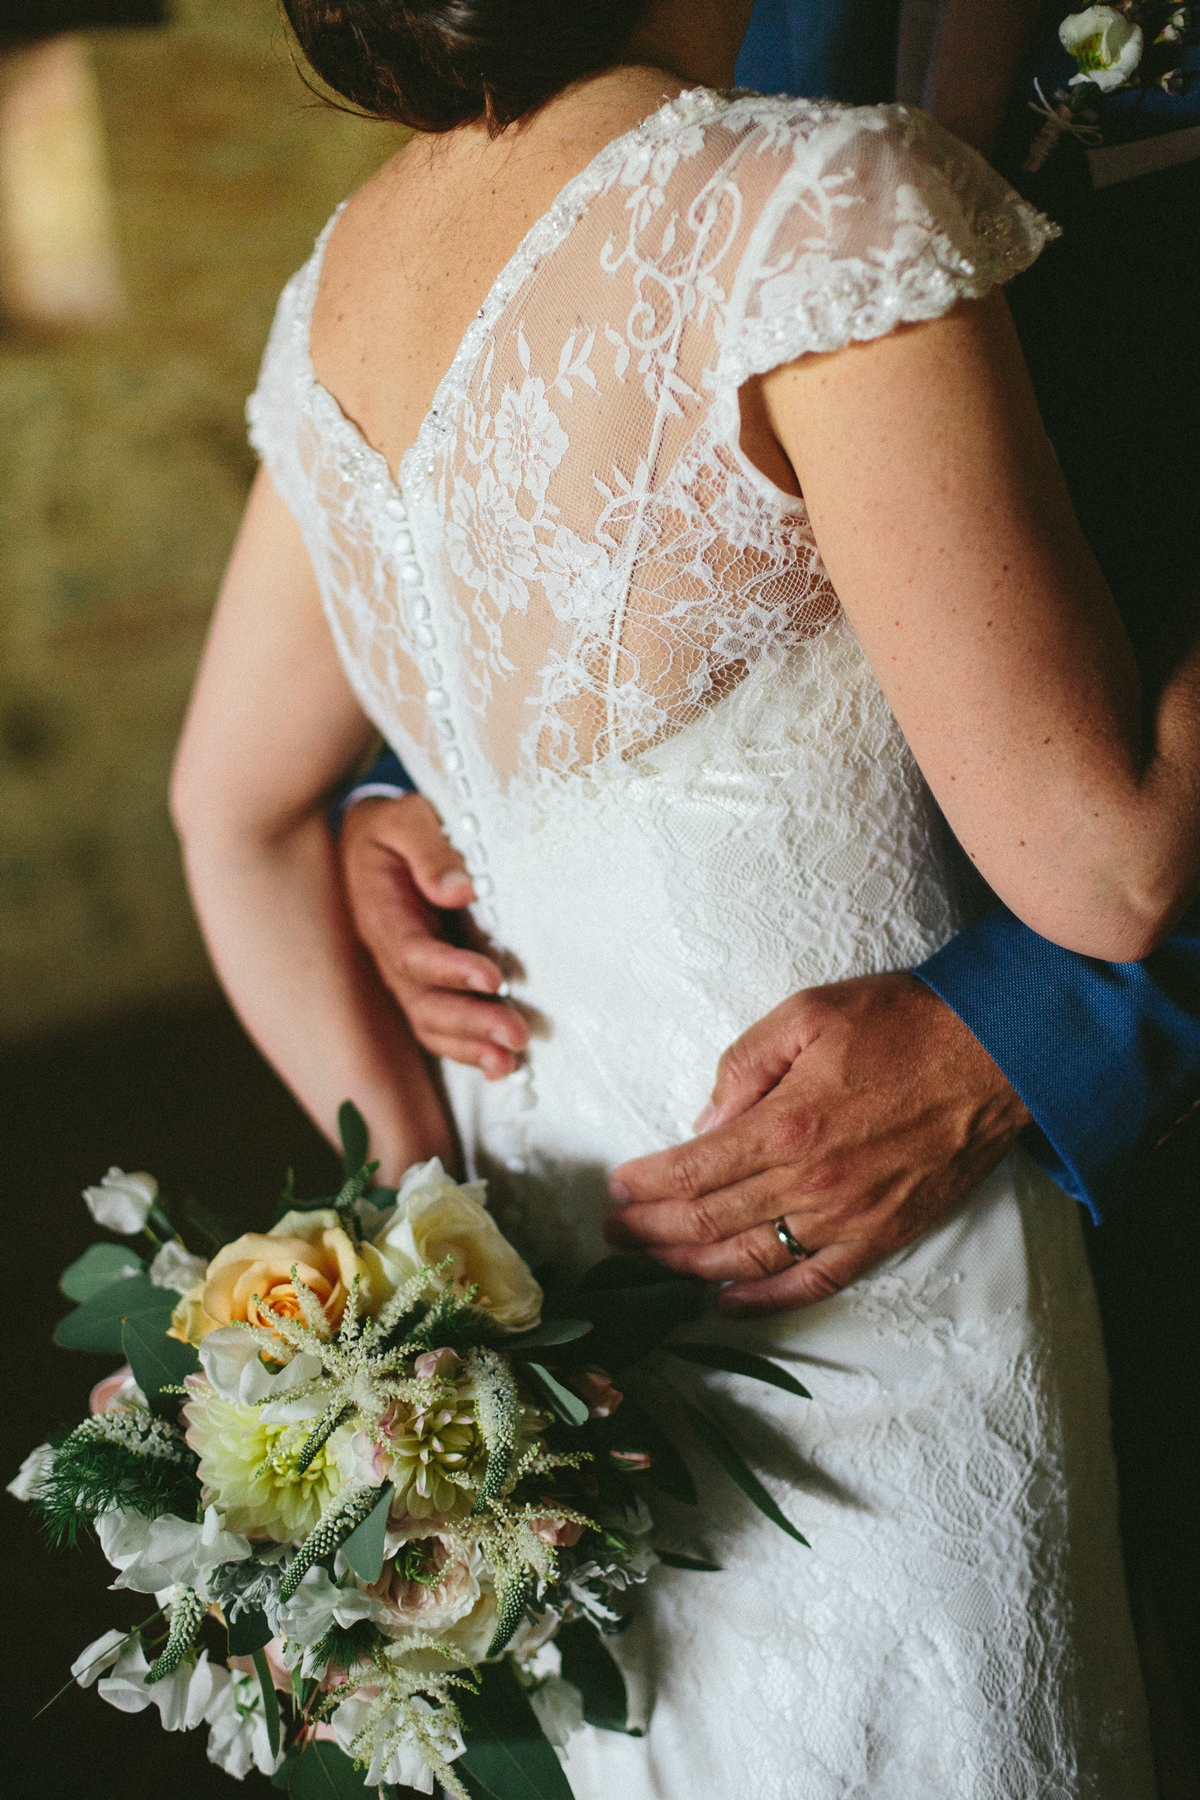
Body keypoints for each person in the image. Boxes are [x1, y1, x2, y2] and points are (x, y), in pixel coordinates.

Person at [170, 0, 1200, 1791]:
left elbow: (223, 809)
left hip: (580, 1347)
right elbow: (1108, 871)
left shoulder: (336, 284)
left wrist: (423, 1247)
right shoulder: (817, 199)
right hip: (888, 1328)